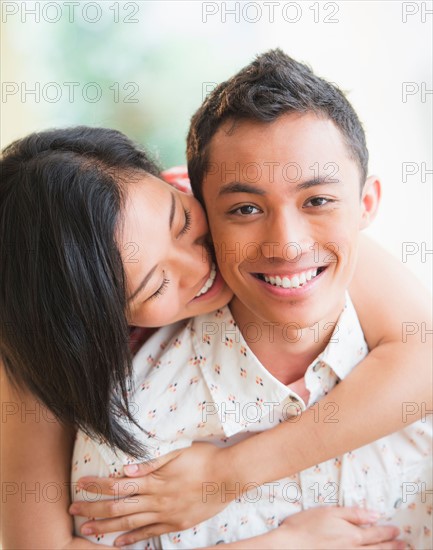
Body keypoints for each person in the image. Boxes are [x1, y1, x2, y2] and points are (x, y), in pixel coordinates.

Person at [0, 118, 428, 550]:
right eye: (157, 285)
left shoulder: (235, 197)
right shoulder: (44, 349)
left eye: (183, 223)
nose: (201, 266)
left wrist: (227, 474)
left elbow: (424, 353)